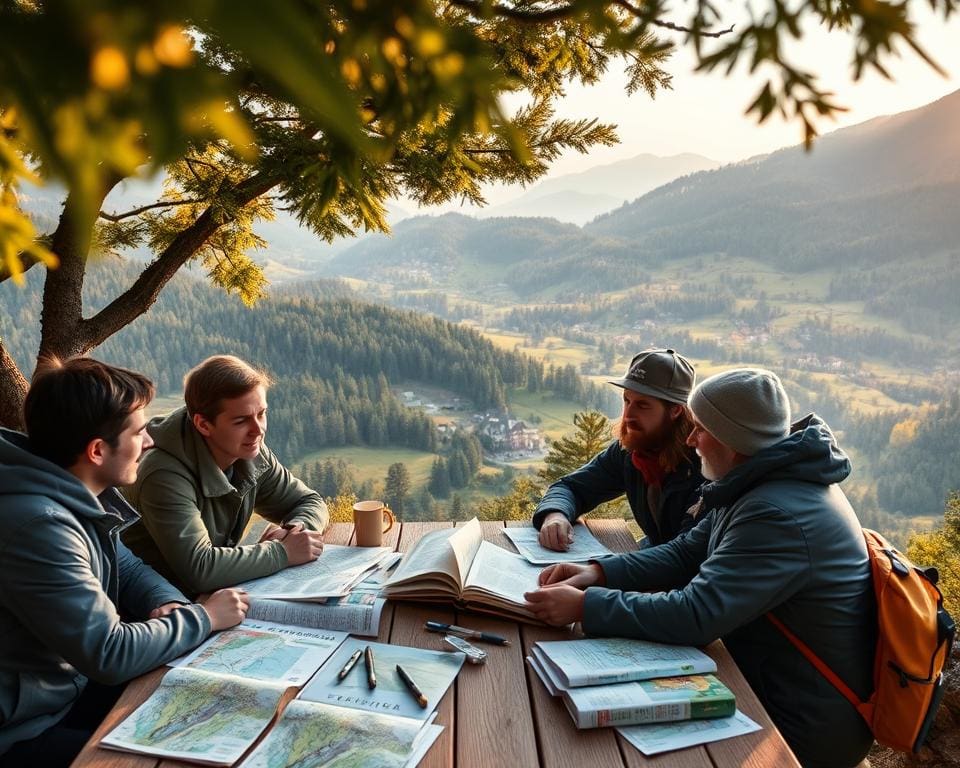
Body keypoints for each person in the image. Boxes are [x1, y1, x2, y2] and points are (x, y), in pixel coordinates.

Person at [524, 368, 875, 768]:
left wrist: (587, 607)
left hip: (799, 722)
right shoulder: (758, 481)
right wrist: (597, 573)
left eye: (701, 429)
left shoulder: (775, 512)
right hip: (763, 675)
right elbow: (685, 552)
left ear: (733, 439)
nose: (691, 440)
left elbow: (698, 614)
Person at [0, 357, 248, 767]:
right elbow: (110, 653)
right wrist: (204, 617)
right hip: (25, 730)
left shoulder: (68, 491)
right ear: (97, 450)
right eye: (138, 432)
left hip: (65, 691)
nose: (149, 441)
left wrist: (170, 604)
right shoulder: (39, 527)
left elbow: (128, 567)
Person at [123, 355, 329, 596]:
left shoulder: (250, 451)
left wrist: (296, 530)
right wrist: (282, 552)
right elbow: (200, 569)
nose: (257, 430)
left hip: (212, 598)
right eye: (241, 421)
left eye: (261, 414)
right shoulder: (163, 474)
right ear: (203, 424)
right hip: (158, 612)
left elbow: (310, 501)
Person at [533, 348, 703, 551]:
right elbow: (572, 487)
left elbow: (685, 553)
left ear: (675, 410)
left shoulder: (705, 463)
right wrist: (555, 514)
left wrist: (602, 572)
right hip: (655, 562)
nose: (628, 415)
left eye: (642, 405)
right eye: (626, 400)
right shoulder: (632, 450)